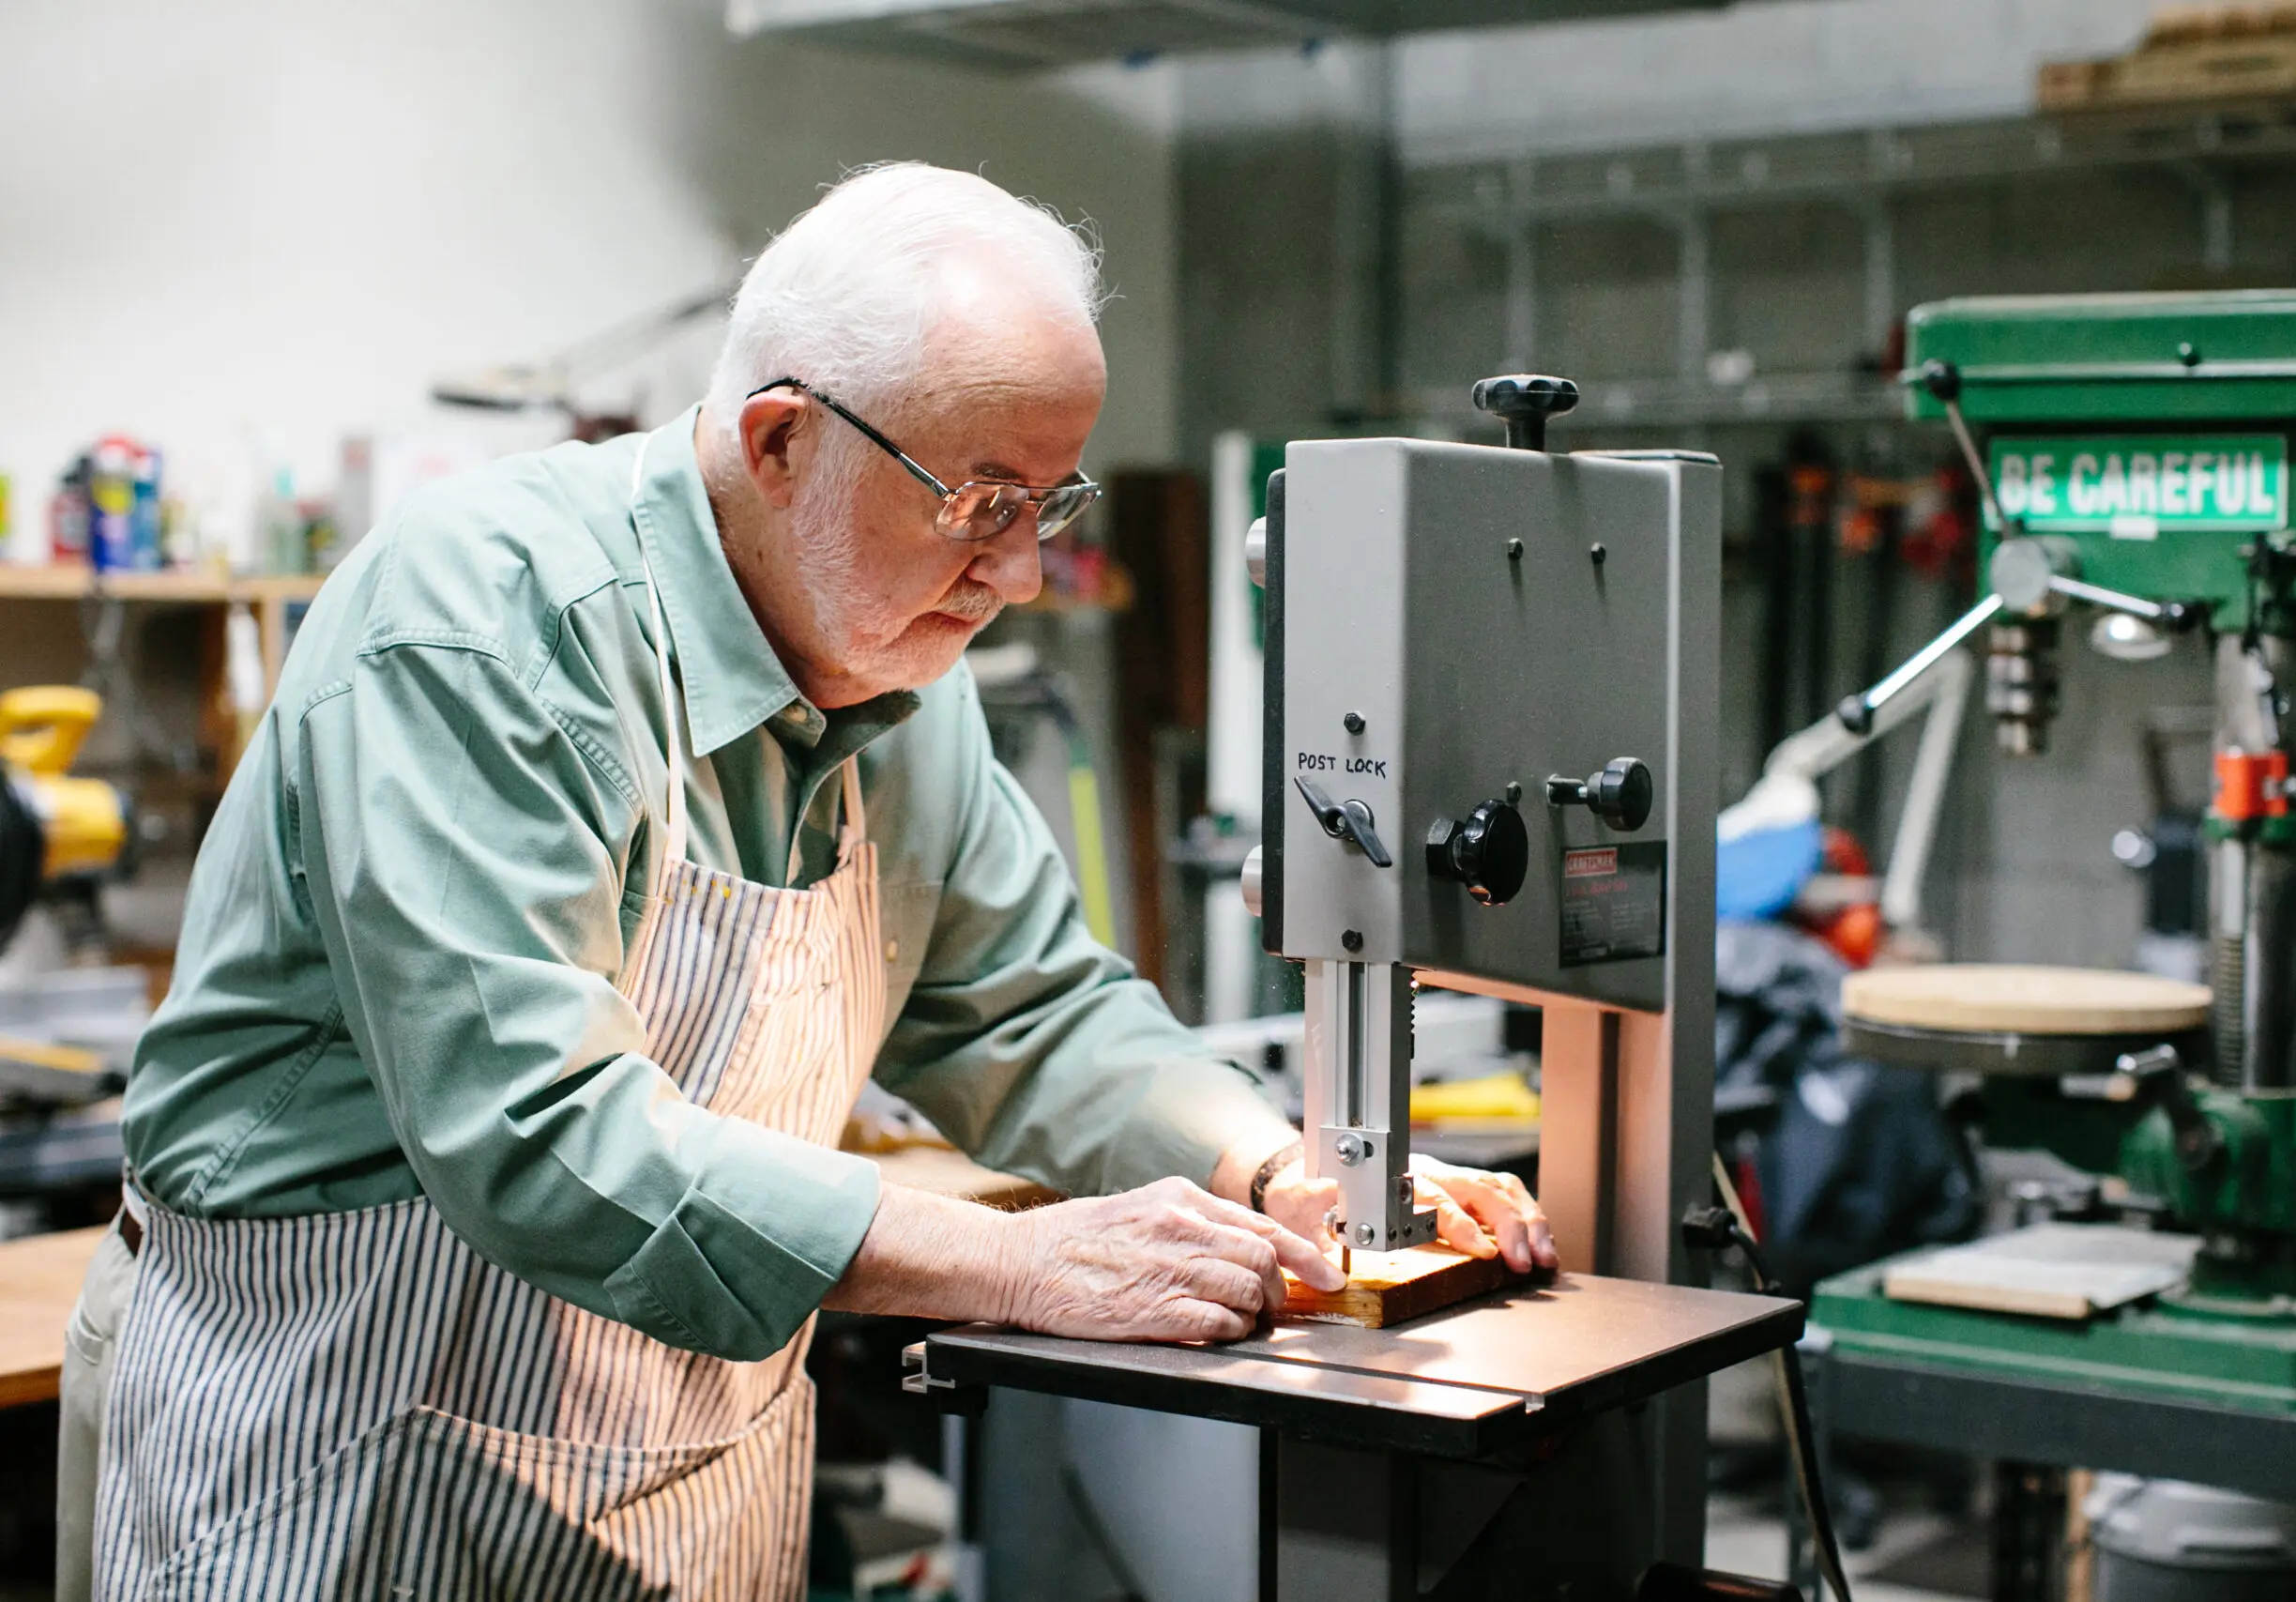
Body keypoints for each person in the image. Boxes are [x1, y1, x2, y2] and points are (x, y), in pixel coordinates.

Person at [57, 161, 1556, 1600]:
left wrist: (1281, 1167)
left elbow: (1025, 1008)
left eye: (1053, 503)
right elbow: (529, 1123)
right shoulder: (486, 627)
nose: (1022, 573)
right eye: (981, 504)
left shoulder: (904, 667)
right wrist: (1010, 1260)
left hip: (680, 1465)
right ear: (781, 440)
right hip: (347, 1434)